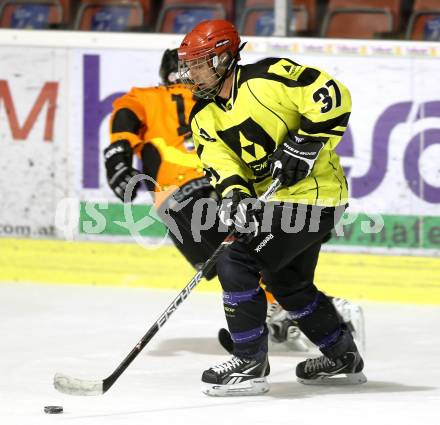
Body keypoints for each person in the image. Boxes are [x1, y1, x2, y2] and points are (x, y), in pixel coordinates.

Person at [178, 19, 367, 396]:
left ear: (224, 58)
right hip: (281, 202)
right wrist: (235, 197)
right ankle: (341, 356)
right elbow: (223, 166)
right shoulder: (202, 117)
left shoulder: (268, 77)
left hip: (315, 196)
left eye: (199, 63)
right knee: (286, 280)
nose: (191, 72)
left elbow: (332, 94)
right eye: (189, 64)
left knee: (236, 259)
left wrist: (308, 142)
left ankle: (248, 361)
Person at [103, 48, 225, 280]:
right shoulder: (215, 93)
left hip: (172, 199)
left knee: (227, 268)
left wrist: (117, 159)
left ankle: (271, 308)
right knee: (245, 257)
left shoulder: (144, 96)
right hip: (217, 179)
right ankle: (276, 305)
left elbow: (124, 116)